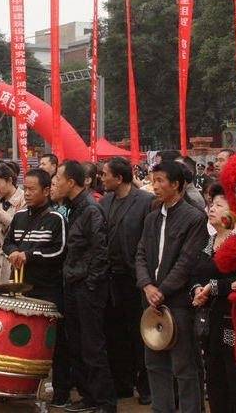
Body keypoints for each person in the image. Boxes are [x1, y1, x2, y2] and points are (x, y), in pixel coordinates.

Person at [136, 160, 207, 413]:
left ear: (176, 184)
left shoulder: (194, 218)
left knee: (184, 366)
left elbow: (187, 262)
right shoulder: (153, 217)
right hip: (151, 300)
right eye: (153, 180)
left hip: (178, 302)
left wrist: (162, 290)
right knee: (154, 363)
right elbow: (141, 254)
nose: (154, 186)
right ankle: (161, 408)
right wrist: (146, 285)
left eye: (160, 181)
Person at [3, 168, 71, 408]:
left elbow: (59, 250)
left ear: (46, 191)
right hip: (22, 288)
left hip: (48, 289)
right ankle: (18, 386)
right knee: (20, 337)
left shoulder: (57, 218)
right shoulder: (20, 216)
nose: (28, 193)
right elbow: (8, 242)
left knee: (54, 342)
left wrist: (29, 255)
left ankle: (61, 391)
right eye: (26, 188)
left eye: (33, 189)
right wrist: (13, 252)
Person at [54, 160, 116, 413]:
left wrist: (90, 284)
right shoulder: (71, 208)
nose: (55, 182)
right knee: (77, 344)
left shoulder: (91, 209)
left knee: (92, 346)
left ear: (71, 182)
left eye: (58, 178)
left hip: (88, 288)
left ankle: (105, 402)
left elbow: (101, 252)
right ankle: (89, 397)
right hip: (72, 284)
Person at [190, 183, 236, 413]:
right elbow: (197, 272)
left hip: (235, 321)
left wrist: (213, 287)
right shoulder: (209, 242)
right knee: (215, 378)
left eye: (219, 205)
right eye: (210, 204)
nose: (211, 209)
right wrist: (198, 289)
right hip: (211, 322)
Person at [99, 157, 152, 405]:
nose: (102, 178)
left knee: (138, 333)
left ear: (119, 178)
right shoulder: (105, 201)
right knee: (115, 333)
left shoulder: (145, 202)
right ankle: (123, 382)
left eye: (105, 174)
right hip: (110, 278)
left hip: (136, 279)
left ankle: (146, 386)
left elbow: (147, 241)